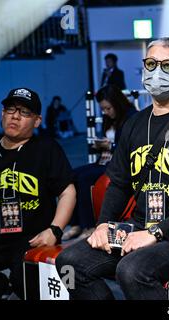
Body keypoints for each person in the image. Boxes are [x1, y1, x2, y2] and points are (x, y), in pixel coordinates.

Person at [56, 37, 169, 300]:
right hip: (139, 226)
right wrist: (102, 226)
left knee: (132, 270)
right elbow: (119, 183)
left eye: (168, 66)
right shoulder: (134, 124)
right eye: (151, 63)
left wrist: (157, 233)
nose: (157, 72)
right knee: (70, 262)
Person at [0, 88, 75, 299]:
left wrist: (55, 230)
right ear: (2, 113)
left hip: (31, 240)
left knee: (29, 287)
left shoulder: (46, 149)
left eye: (24, 112)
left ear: (37, 121)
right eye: (10, 109)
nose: (15, 115)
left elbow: (67, 191)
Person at [62, 85, 137, 240]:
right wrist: (101, 145)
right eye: (103, 109)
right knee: (71, 175)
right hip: (104, 160)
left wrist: (110, 145)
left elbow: (130, 147)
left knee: (84, 178)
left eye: (108, 108)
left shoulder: (132, 117)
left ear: (117, 103)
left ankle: (88, 225)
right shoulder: (110, 118)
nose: (105, 112)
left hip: (117, 165)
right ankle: (76, 223)